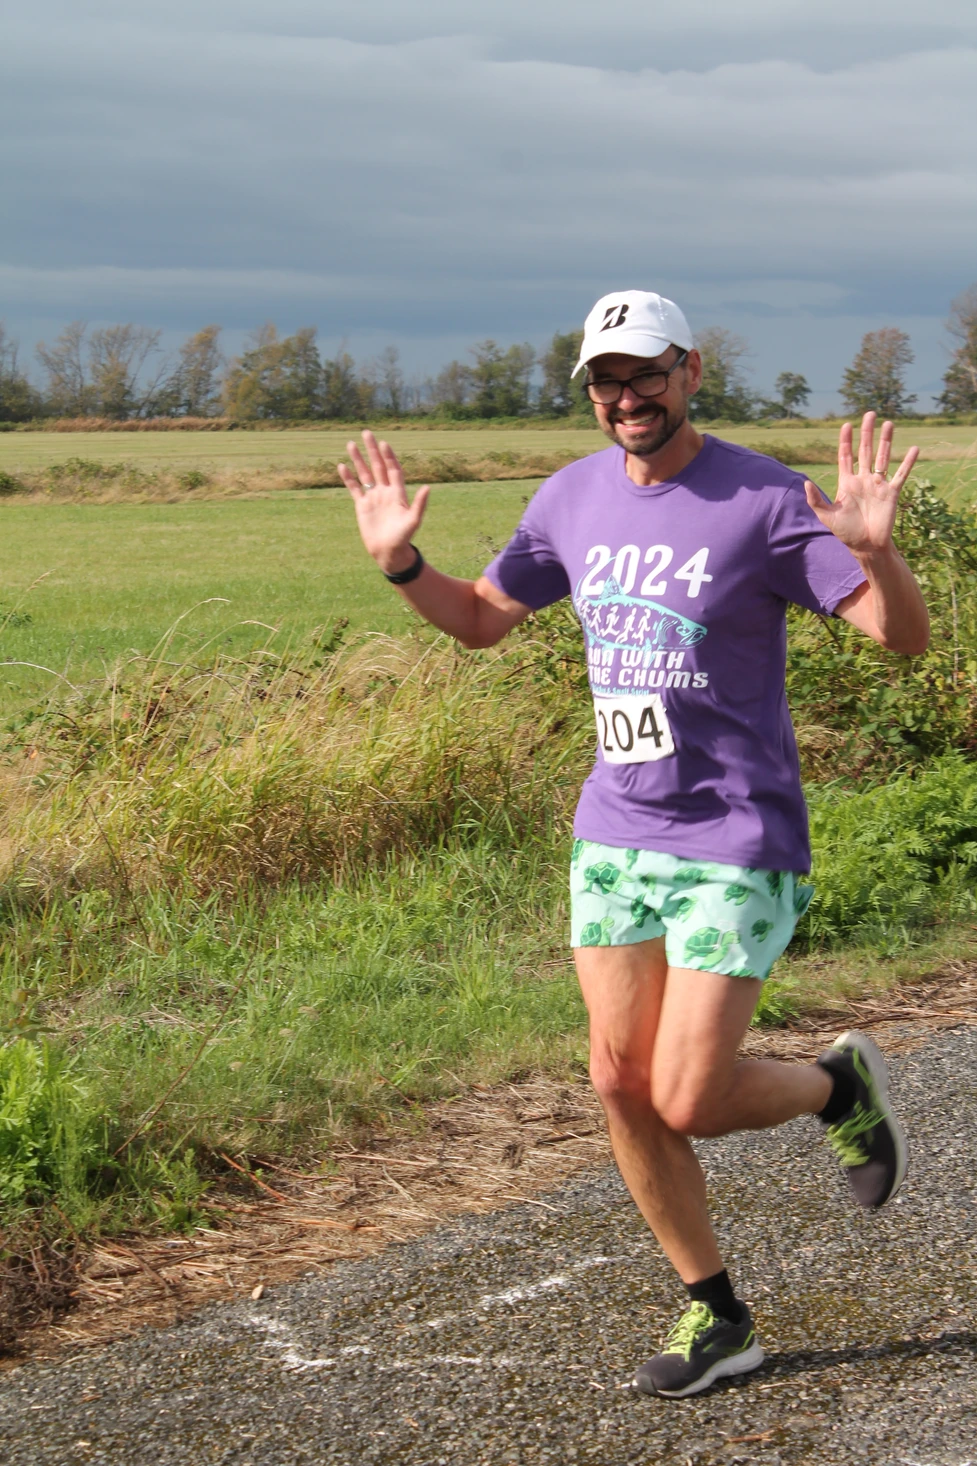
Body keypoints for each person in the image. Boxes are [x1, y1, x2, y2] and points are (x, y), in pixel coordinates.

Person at [339, 289, 930, 1399]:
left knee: (688, 1094)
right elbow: (480, 619)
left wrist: (876, 553)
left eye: (645, 372)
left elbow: (899, 639)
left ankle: (831, 1086)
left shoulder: (760, 498)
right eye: (606, 379)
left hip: (734, 834)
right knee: (617, 1079)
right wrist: (403, 568)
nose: (626, 396)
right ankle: (716, 1312)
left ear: (690, 370)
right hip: (614, 830)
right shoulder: (567, 499)